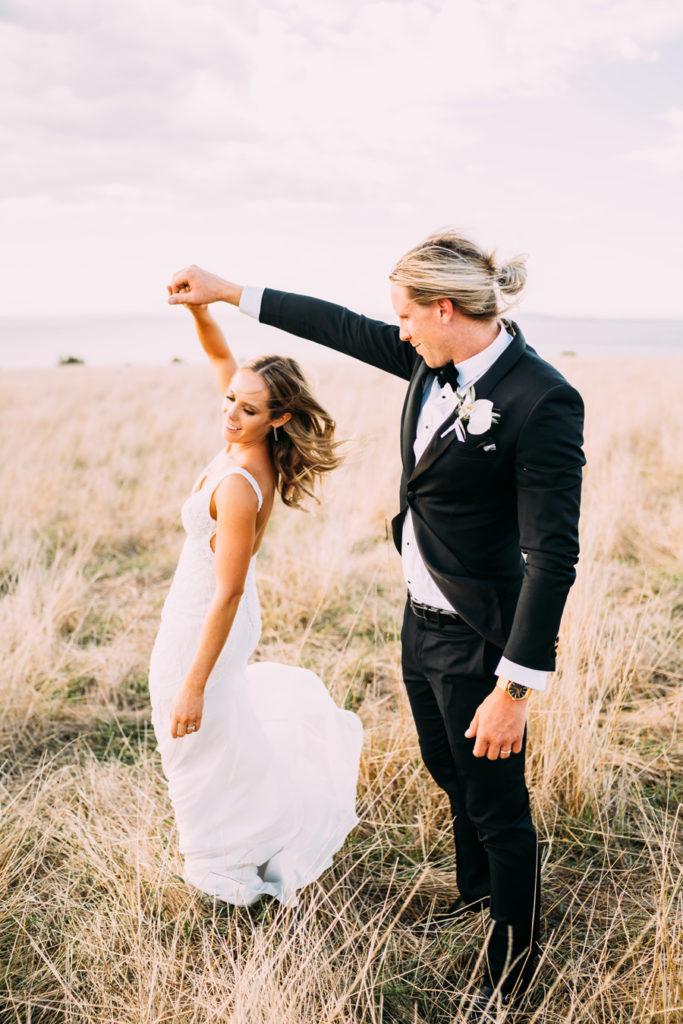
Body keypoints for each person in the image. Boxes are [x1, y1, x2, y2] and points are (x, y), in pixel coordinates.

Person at [167, 229, 585, 1015]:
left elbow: (553, 557)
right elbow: (332, 324)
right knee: (445, 770)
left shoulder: (539, 398)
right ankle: (474, 898)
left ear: (443, 308)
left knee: (498, 803)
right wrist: (228, 291)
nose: (393, 330)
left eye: (403, 316)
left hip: (481, 635)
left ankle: (512, 967)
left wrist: (514, 686)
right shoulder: (427, 363)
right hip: (417, 621)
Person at [148, 292, 363, 909]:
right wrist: (199, 310)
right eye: (229, 402)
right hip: (195, 609)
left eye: (247, 409)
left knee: (189, 728)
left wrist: (195, 680)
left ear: (276, 418)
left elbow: (230, 589)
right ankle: (237, 837)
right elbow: (221, 356)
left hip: (209, 616)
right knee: (207, 736)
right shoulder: (243, 443)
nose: (231, 414)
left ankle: (223, 865)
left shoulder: (242, 483)